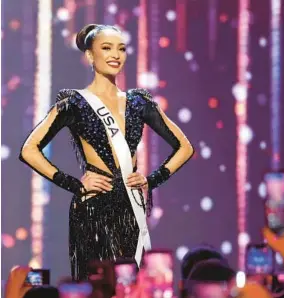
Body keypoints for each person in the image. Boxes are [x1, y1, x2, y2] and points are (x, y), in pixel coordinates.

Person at [19, 24, 194, 281]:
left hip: (130, 206)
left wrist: (152, 179)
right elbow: (29, 150)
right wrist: (73, 184)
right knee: (97, 285)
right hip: (93, 208)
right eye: (106, 48)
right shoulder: (75, 103)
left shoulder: (138, 102)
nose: (116, 55)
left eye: (121, 49)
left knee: (133, 285)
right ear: (90, 55)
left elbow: (185, 147)